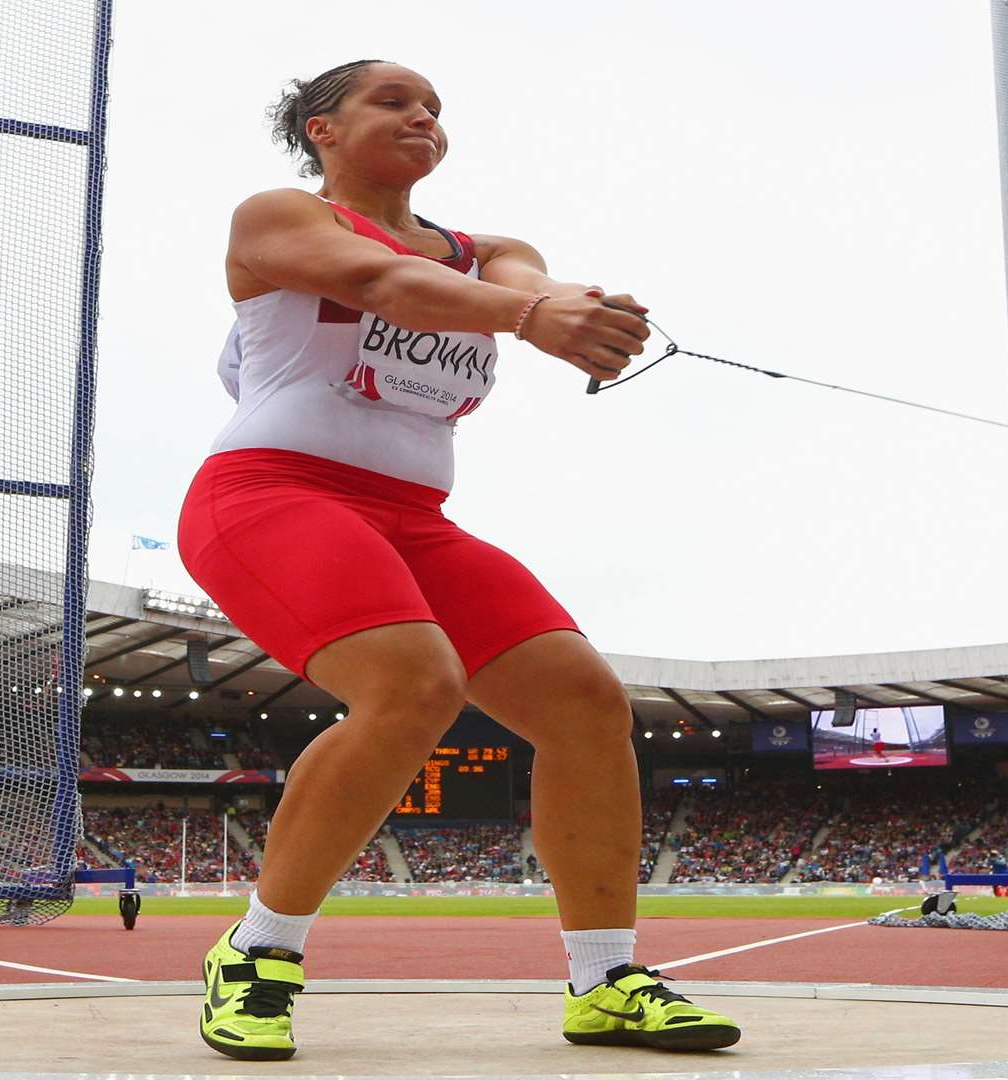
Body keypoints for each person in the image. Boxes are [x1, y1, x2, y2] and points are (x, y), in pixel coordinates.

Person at [181, 60, 739, 1060]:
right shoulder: (277, 216)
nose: (423, 117)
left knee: (584, 701)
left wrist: (578, 310)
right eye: (393, 101)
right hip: (270, 495)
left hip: (412, 515)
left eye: (435, 108)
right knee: (413, 682)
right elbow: (378, 281)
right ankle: (257, 953)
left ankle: (604, 976)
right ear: (323, 130)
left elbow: (525, 281)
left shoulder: (489, 252)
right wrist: (531, 321)